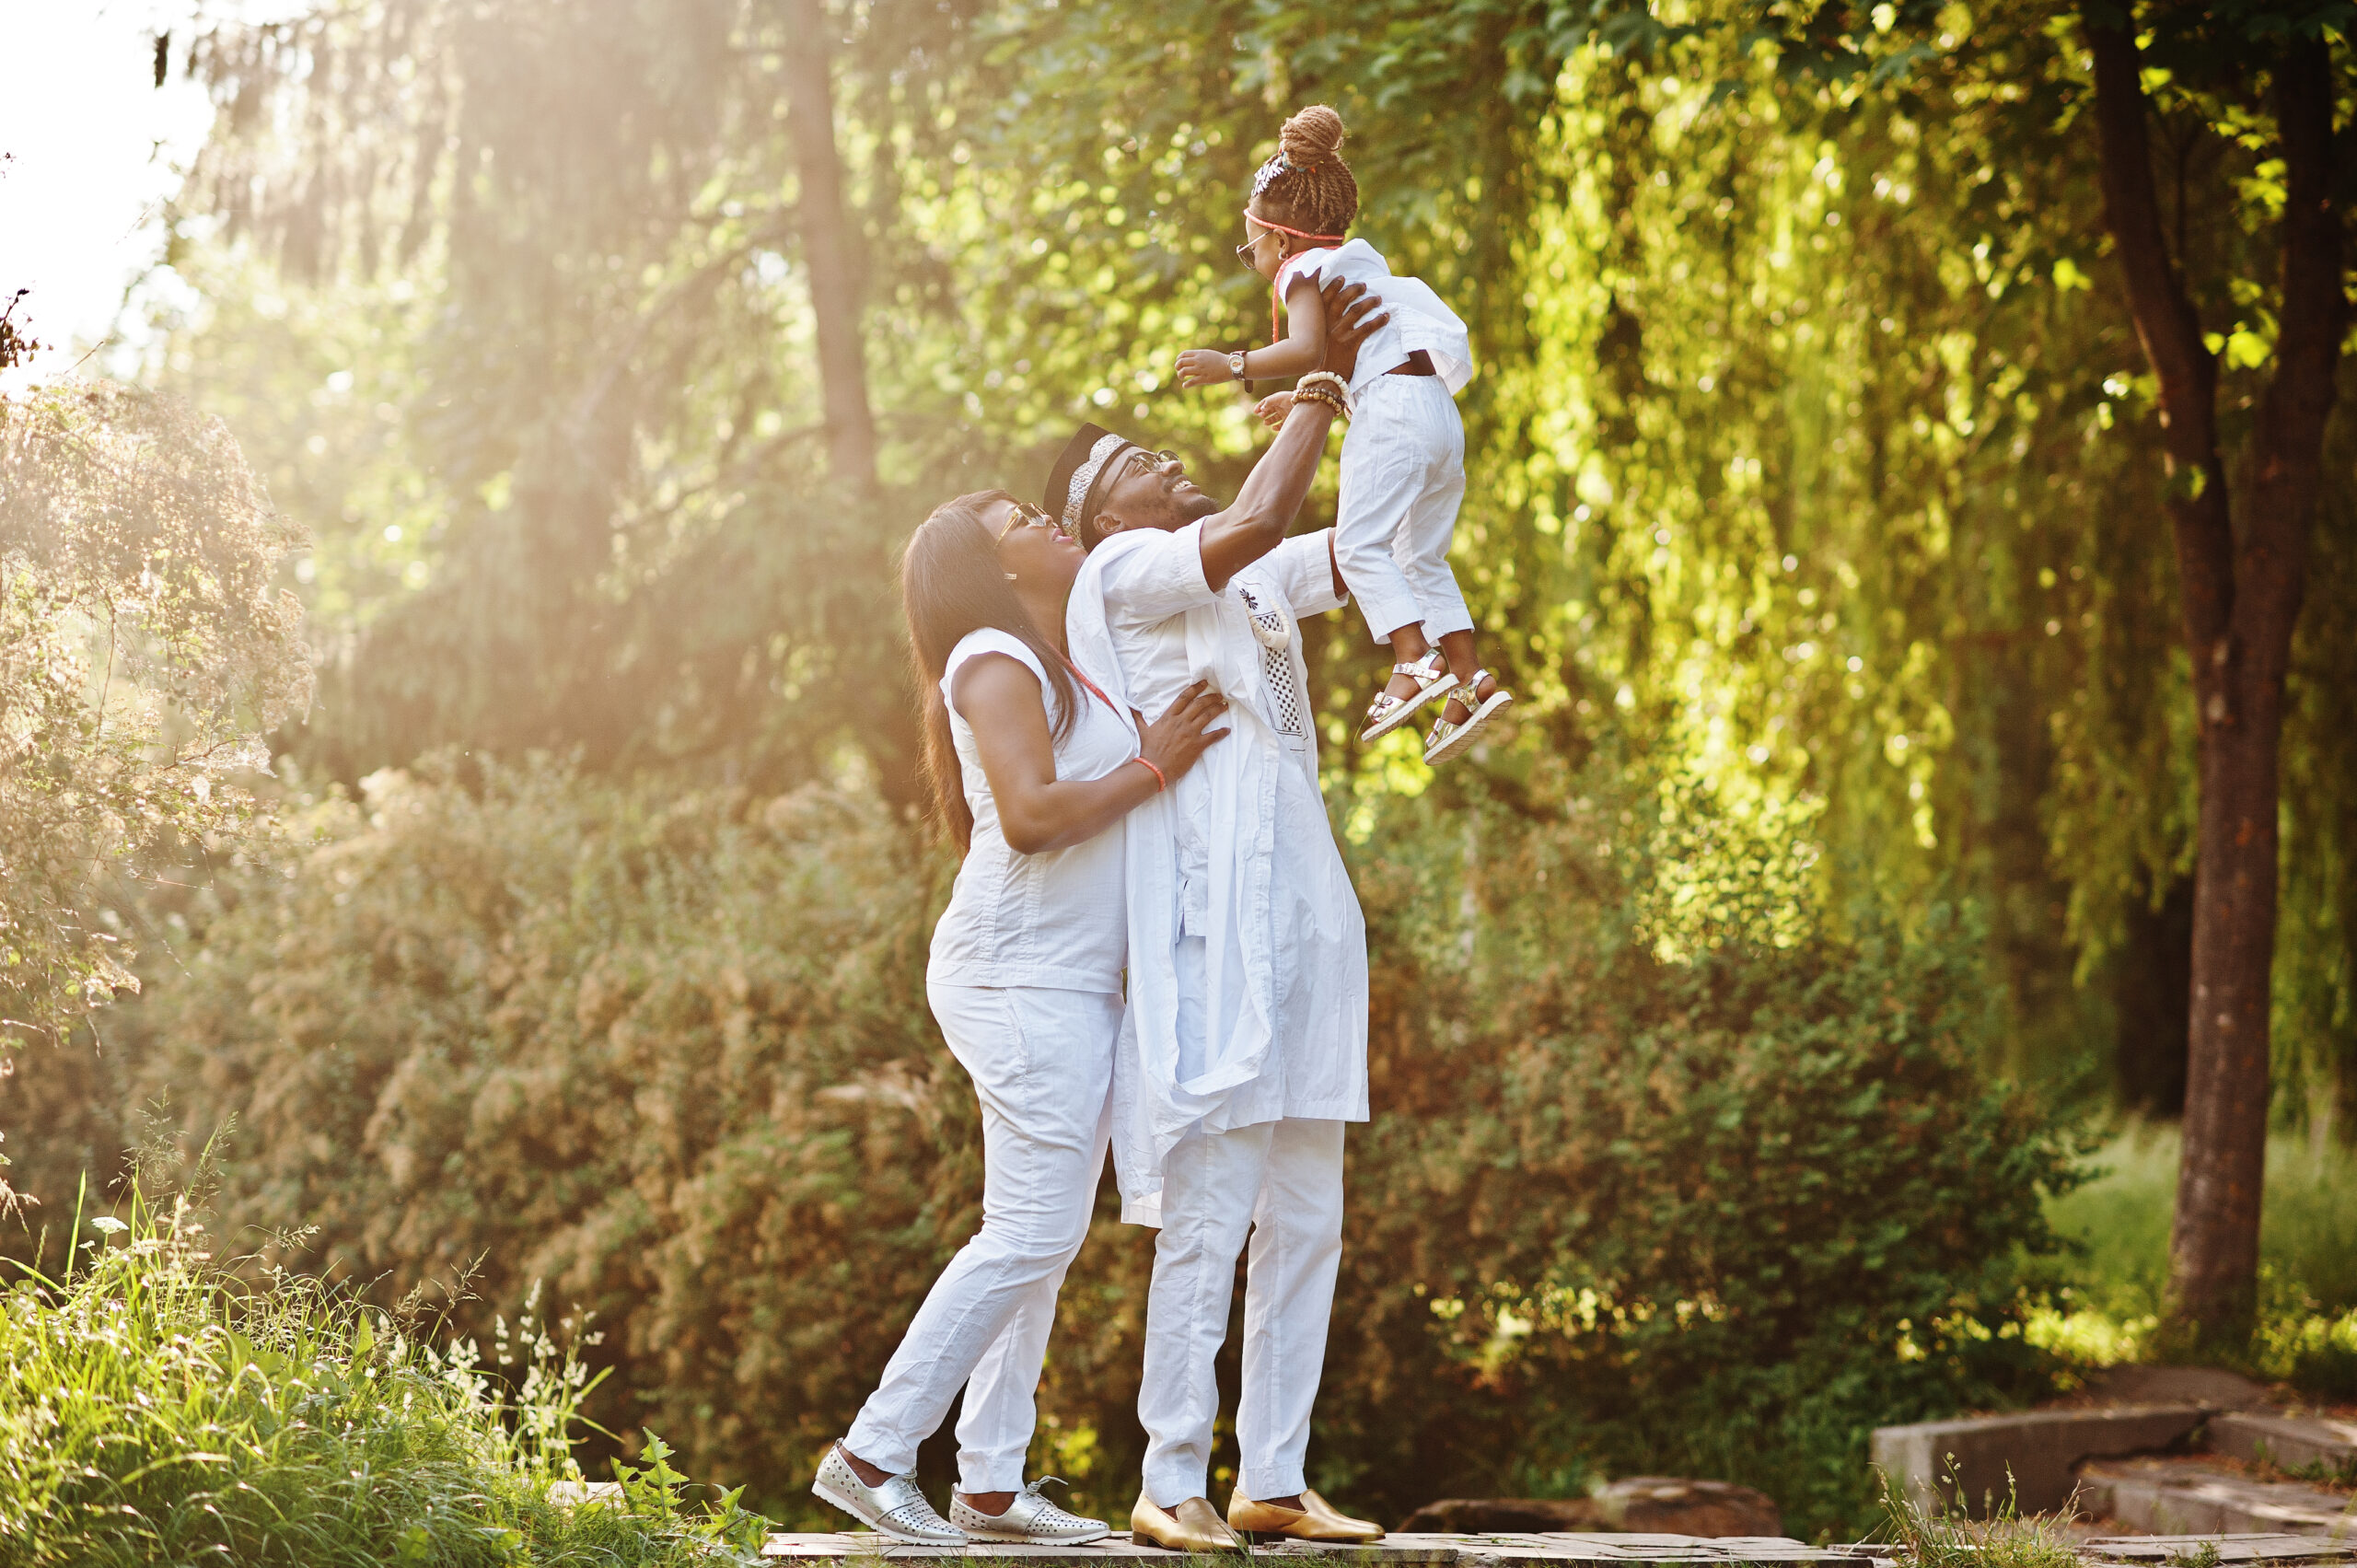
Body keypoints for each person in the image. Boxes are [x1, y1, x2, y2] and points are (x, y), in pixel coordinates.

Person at [810, 491, 1232, 1546]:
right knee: (1030, 1228)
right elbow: (1036, 817)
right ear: (986, 568)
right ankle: (870, 1451)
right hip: (1014, 975)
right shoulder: (992, 654)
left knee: (1040, 1236)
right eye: (1020, 520)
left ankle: (990, 1483)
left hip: (1068, 981)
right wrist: (1153, 763)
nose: (1050, 521)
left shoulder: (1058, 654)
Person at [1047, 273, 1390, 1553]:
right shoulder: (1128, 575)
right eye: (1133, 460)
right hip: (1215, 935)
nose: (1163, 455)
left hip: (1306, 917)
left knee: (1308, 1210)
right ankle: (1171, 1473)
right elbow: (1259, 512)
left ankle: (1277, 1474)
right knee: (1213, 1206)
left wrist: (1382, 381)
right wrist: (1308, 380)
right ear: (1098, 519)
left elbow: (1353, 544)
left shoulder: (1243, 592)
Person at [1175, 104, 1513, 766]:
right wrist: (1298, 397)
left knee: (1362, 547)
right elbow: (1352, 357)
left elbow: (1308, 346)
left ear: (1282, 240)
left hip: (1392, 409)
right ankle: (1469, 679)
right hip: (1435, 411)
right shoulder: (1361, 261)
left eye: (1254, 248)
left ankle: (1414, 660)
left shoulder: (1301, 271)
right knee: (1423, 557)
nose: (1258, 262)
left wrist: (1233, 366)